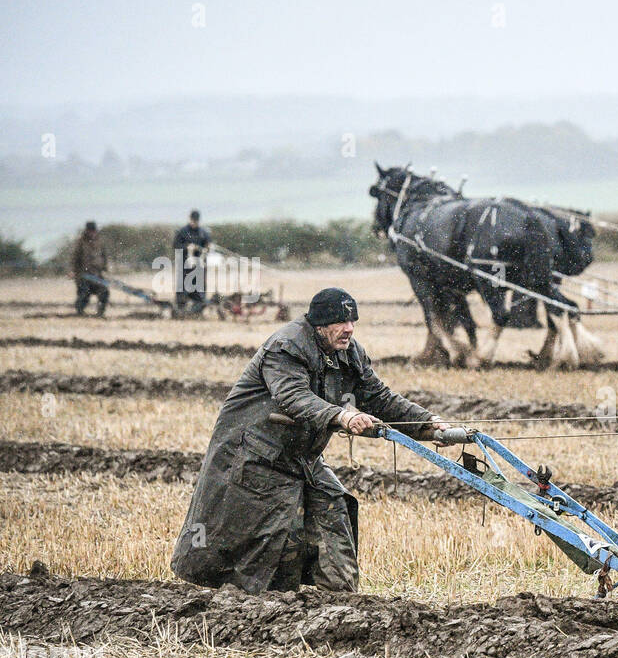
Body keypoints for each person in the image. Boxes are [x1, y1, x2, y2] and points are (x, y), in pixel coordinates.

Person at [171, 287, 448, 594]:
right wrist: (341, 416)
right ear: (319, 325)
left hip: (301, 458)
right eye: (341, 322)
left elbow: (378, 397)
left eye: (353, 321)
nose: (350, 329)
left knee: (334, 510)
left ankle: (340, 604)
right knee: (275, 544)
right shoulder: (285, 348)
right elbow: (293, 397)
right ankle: (268, 612)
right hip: (255, 458)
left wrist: (429, 424)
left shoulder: (348, 351)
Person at [173, 209, 212, 315]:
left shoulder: (203, 232)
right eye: (193, 220)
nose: (194, 223)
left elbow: (208, 245)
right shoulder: (182, 232)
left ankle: (198, 312)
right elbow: (176, 246)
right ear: (190, 219)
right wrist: (187, 247)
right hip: (185, 266)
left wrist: (206, 248)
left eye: (196, 221)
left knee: (199, 289)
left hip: (199, 266)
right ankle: (180, 311)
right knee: (183, 288)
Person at [71, 221, 109, 316]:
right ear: (87, 231)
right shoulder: (81, 243)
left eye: (93, 231)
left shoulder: (100, 242)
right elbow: (75, 258)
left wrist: (105, 269)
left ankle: (100, 313)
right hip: (84, 275)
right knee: (84, 294)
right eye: (90, 231)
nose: (92, 233)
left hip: (97, 274)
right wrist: (74, 271)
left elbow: (104, 257)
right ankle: (79, 312)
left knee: (104, 292)